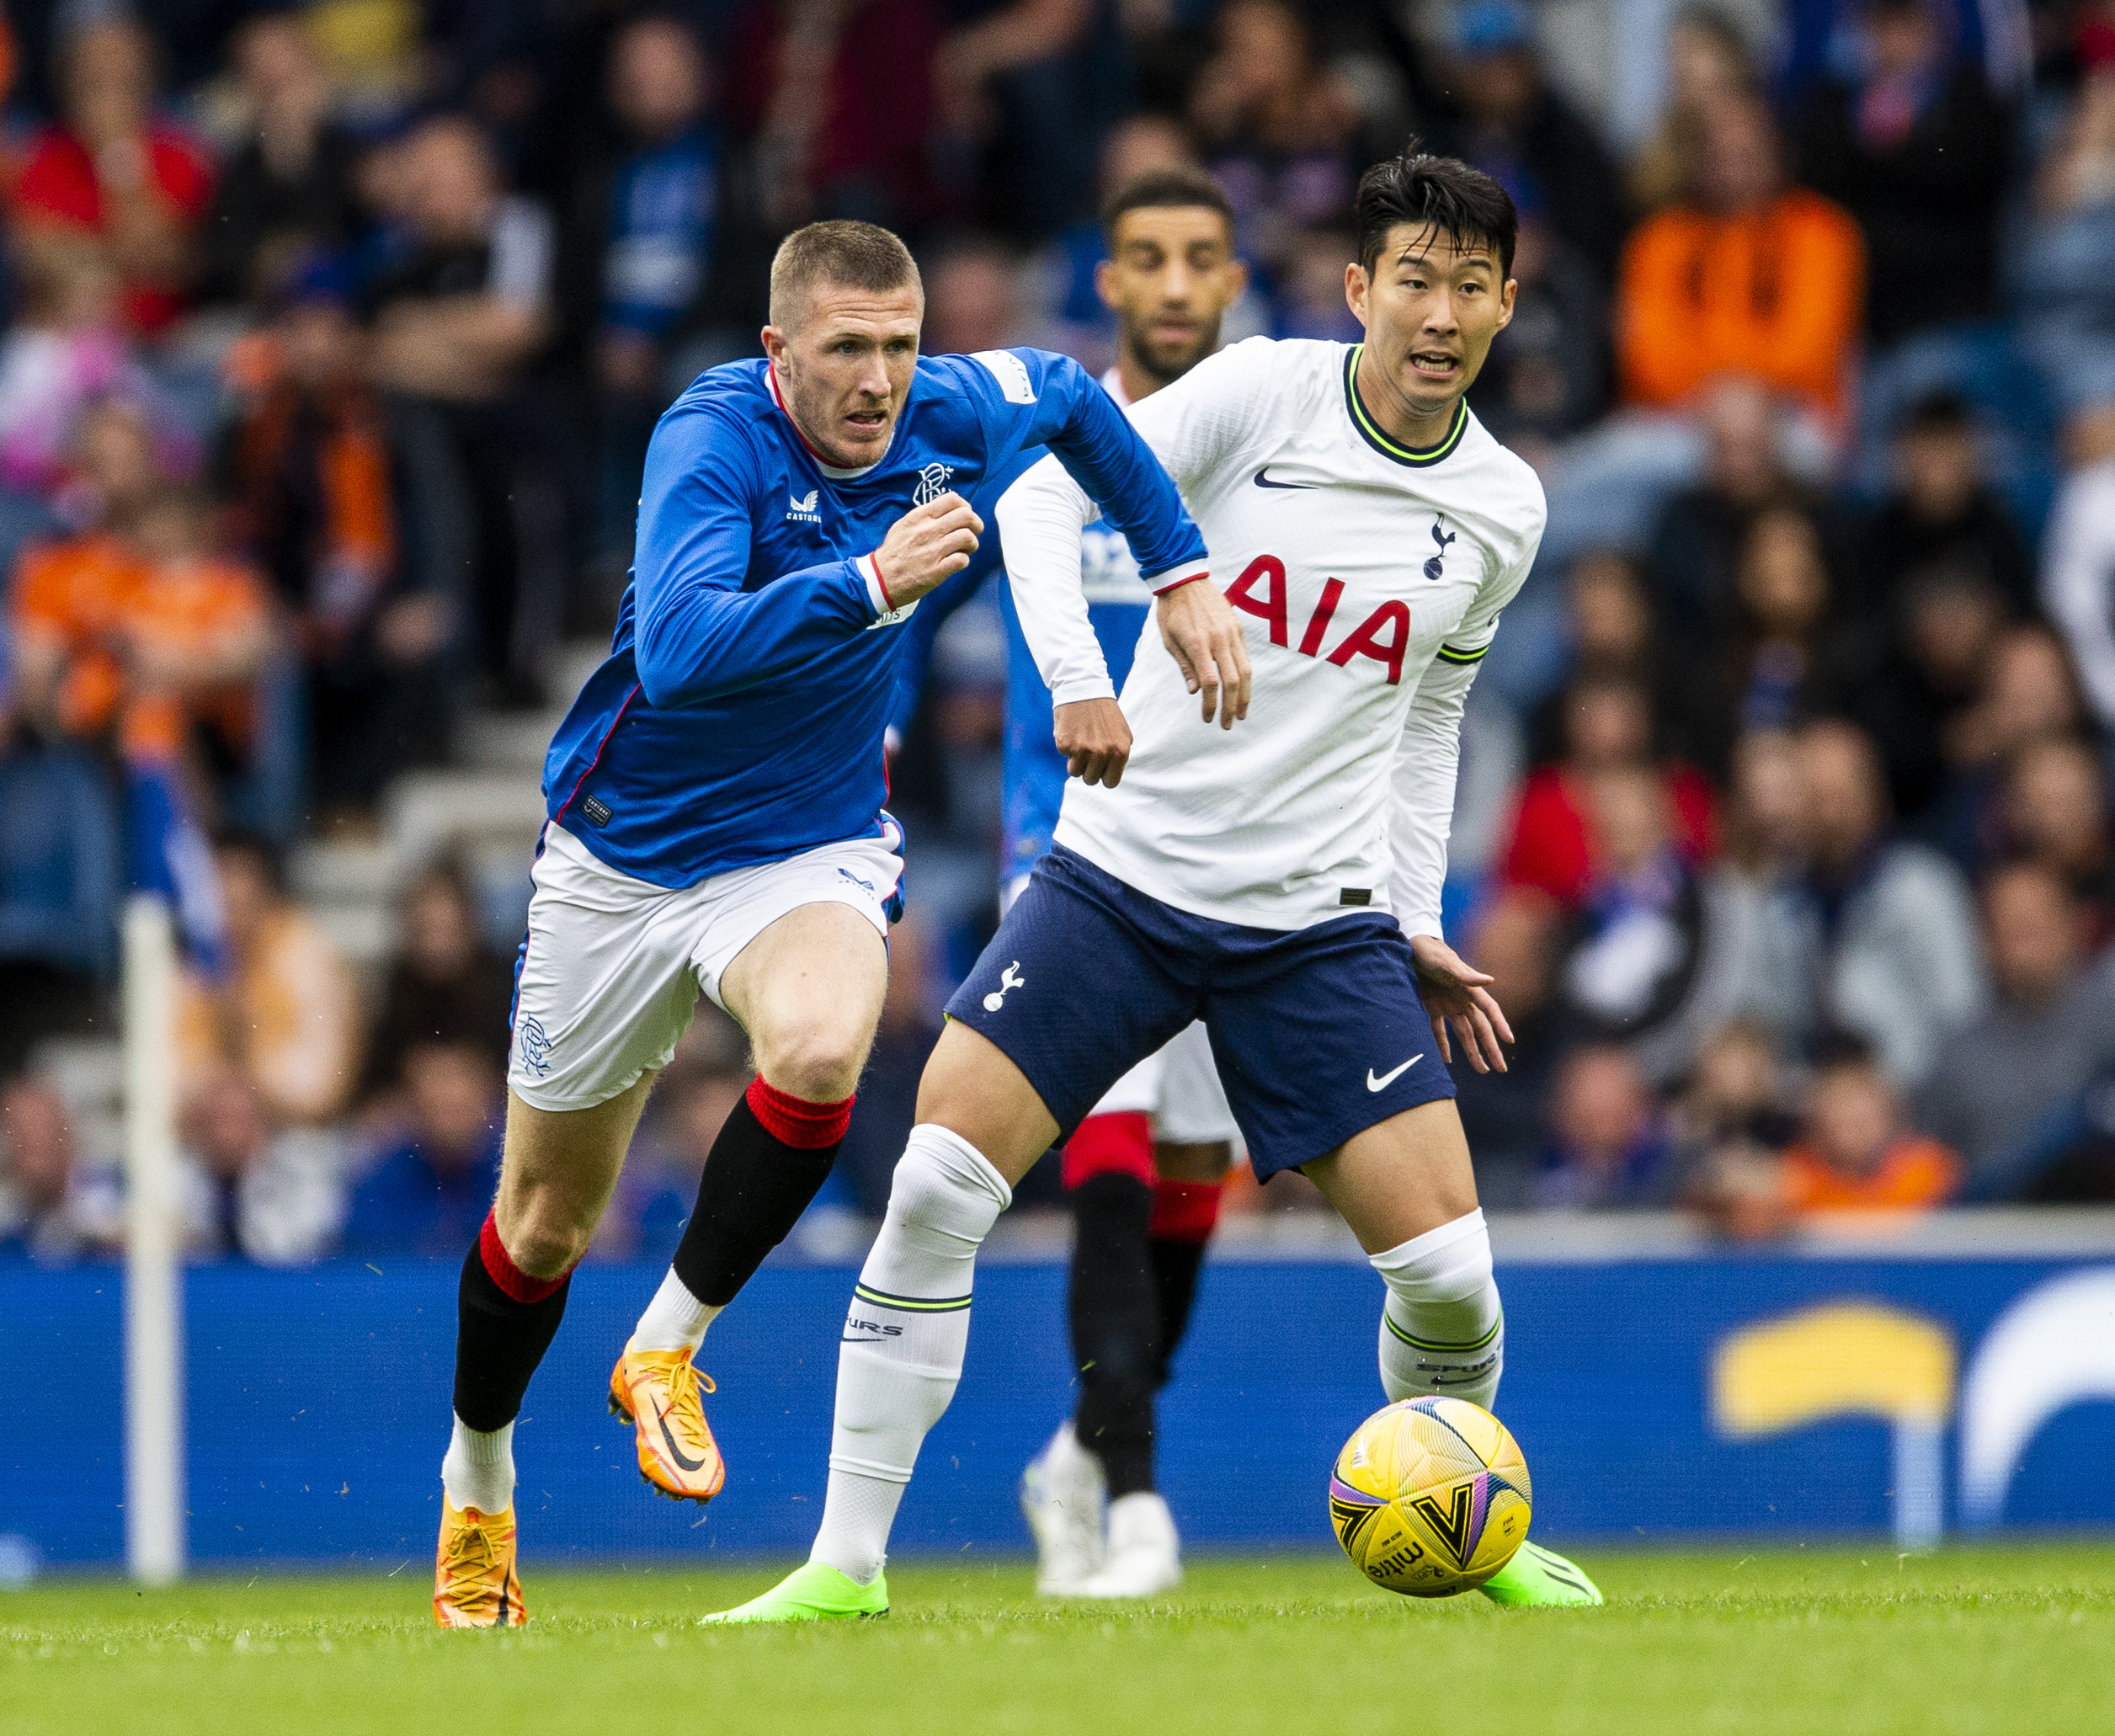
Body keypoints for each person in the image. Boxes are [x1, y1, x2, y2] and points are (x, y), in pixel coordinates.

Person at [703, 149, 1600, 1623]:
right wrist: (1075, 682)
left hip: (1315, 928)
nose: (1438, 313)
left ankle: (1476, 1534)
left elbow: (1429, 715)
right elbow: (1048, 499)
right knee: (934, 1181)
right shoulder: (1259, 394)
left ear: (1507, 303)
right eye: (1412, 281)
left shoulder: (1502, 507)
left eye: (1470, 287)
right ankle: (841, 1566)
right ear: (1361, 288)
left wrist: (1416, 913)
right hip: (1120, 882)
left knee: (1447, 1281)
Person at [429, 216, 1219, 1627]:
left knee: (816, 1052)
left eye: (899, 345)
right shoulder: (711, 438)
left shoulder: (955, 411)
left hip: (807, 846)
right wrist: (868, 582)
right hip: (623, 856)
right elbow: (675, 657)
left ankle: (667, 1345)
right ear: (776, 352)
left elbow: (1085, 402)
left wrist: (1178, 572)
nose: (876, 379)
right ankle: (478, 1481)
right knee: (542, 1222)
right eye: (844, 348)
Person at [911, 168, 1254, 1598]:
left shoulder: (1272, 452)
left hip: (1237, 858)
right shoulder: (1051, 441)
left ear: (1232, 280)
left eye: (1200, 259)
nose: (1174, 285)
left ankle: (1078, 1448)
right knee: (1108, 1183)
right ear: (1106, 285)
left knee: (1189, 1191)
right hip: (1080, 859)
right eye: (1146, 261)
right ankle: (1136, 1511)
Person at [1915, 863, 2115, 1193]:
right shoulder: (1955, 1054)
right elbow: (1930, 1177)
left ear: (2075, 926)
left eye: (2038, 921)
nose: (2024, 935)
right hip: (1996, 1234)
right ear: (1985, 940)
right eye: (2008, 924)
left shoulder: (2108, 1023)